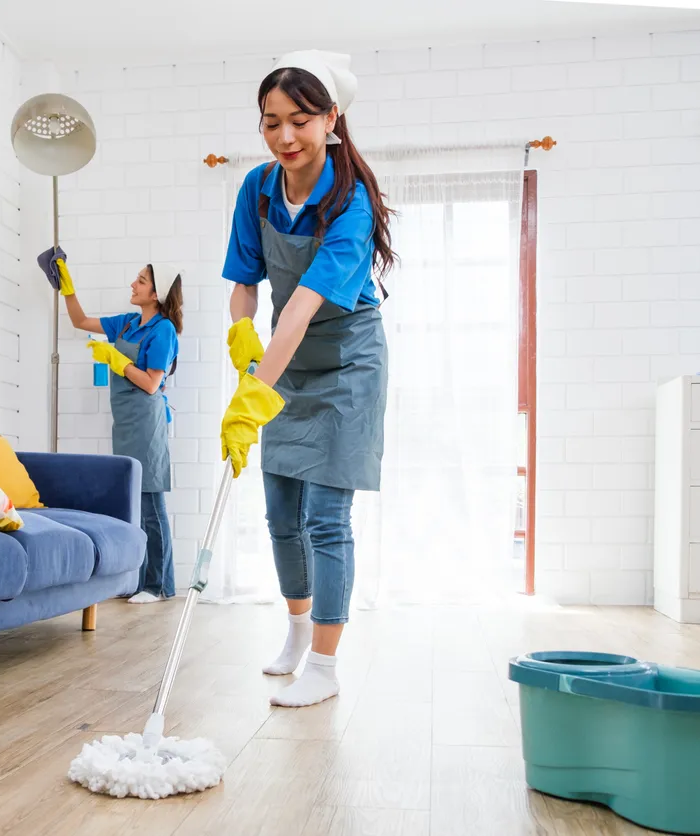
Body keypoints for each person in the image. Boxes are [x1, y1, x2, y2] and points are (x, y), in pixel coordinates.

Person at [220, 51, 396, 707]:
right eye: (271, 123)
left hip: (347, 362)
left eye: (300, 120)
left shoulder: (352, 202)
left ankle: (324, 666)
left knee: (325, 517)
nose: (285, 136)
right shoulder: (258, 187)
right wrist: (243, 338)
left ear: (331, 119)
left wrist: (252, 395)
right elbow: (245, 283)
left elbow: (298, 308)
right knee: (279, 514)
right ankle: (297, 630)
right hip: (283, 360)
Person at [55, 257, 183, 604]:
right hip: (125, 421)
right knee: (135, 502)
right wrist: (67, 289)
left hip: (146, 423)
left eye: (141, 281)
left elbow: (152, 384)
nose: (133, 284)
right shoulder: (127, 323)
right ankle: (139, 582)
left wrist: (119, 361)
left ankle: (158, 585)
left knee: (150, 502)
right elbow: (80, 321)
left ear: (156, 294)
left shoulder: (163, 330)